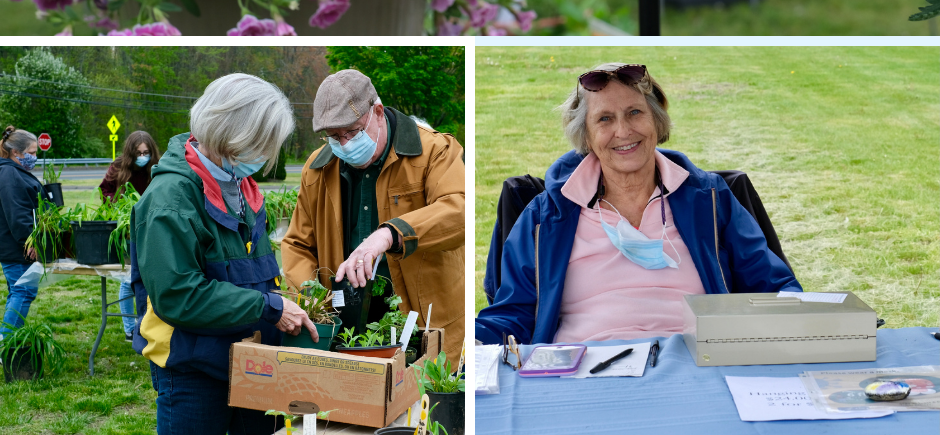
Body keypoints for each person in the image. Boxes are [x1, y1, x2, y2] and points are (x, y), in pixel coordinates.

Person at [475, 63, 802, 345]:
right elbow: (512, 314)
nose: (623, 131)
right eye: (604, 119)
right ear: (586, 137)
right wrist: (473, 341)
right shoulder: (545, 216)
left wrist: (807, 324)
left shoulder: (710, 199)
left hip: (695, 358)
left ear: (657, 122)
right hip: (583, 367)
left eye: (635, 113)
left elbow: (772, 287)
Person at [130, 74, 317, 435]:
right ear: (233, 135)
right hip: (193, 369)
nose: (265, 156)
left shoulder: (241, 185)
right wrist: (268, 307)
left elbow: (252, 273)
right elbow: (178, 296)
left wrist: (281, 300)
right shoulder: (170, 199)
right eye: (261, 144)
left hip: (253, 360)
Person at [281, 69, 465, 363]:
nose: (344, 144)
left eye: (352, 132)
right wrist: (315, 304)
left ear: (377, 112)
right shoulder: (316, 168)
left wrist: (391, 234)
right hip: (345, 335)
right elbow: (297, 245)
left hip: (424, 329)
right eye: (334, 136)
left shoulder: (434, 150)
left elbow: (458, 210)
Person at [99, 130, 160, 342]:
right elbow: (104, 191)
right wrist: (120, 204)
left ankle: (148, 324)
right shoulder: (118, 167)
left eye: (146, 153)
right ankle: (130, 329)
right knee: (128, 280)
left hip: (151, 228)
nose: (142, 157)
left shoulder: (157, 166)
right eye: (138, 153)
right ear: (130, 153)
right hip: (126, 230)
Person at [0, 127, 42, 335]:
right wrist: (29, 240)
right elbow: (17, 213)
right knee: (23, 291)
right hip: (17, 248)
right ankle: (6, 342)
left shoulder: (13, 171)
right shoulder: (10, 174)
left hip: (14, 246)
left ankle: (11, 340)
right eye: (31, 153)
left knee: (18, 292)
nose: (34, 157)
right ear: (15, 152)